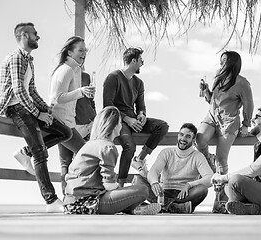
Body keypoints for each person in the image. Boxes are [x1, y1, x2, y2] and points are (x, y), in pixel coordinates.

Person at [0, 22, 72, 212]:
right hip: (15, 108)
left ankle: (25, 152)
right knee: (41, 152)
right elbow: (19, 91)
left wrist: (46, 109)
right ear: (23, 35)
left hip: (26, 107)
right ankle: (51, 201)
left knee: (65, 132)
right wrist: (39, 114)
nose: (38, 37)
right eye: (35, 34)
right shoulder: (15, 58)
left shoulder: (28, 59)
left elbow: (31, 90)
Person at [64, 106, 161, 215]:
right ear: (114, 125)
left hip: (71, 203)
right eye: (120, 123)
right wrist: (120, 189)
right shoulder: (107, 147)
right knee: (142, 190)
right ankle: (134, 207)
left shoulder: (90, 144)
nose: (121, 126)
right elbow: (109, 185)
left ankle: (134, 208)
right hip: (90, 204)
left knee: (126, 194)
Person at [196, 50, 254, 212]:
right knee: (199, 139)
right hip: (211, 118)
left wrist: (246, 124)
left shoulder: (242, 83)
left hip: (229, 123)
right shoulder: (218, 77)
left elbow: (249, 104)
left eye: (224, 61)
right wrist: (206, 90)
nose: (221, 64)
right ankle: (209, 159)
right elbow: (211, 100)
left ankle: (220, 199)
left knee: (221, 161)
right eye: (221, 60)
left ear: (233, 63)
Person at [103, 47, 169, 187]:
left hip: (134, 120)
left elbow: (141, 106)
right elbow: (107, 106)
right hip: (118, 121)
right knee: (129, 146)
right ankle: (120, 185)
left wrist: (141, 115)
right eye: (141, 60)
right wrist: (127, 119)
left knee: (162, 126)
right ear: (133, 61)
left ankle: (139, 159)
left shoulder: (139, 83)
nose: (142, 63)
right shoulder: (113, 78)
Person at [133, 123, 213, 214]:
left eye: (188, 136)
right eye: (181, 135)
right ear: (178, 135)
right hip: (163, 193)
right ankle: (174, 207)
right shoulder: (167, 152)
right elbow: (154, 171)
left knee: (202, 190)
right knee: (137, 180)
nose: (183, 139)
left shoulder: (197, 156)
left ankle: (163, 207)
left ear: (193, 139)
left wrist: (189, 185)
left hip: (184, 195)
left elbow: (210, 178)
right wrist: (154, 182)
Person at [49, 36, 96, 192]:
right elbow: (57, 98)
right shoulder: (66, 70)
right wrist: (80, 92)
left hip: (68, 123)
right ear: (69, 52)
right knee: (87, 156)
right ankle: (77, 195)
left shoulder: (73, 70)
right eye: (80, 50)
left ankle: (69, 197)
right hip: (61, 123)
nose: (84, 53)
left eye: (85, 50)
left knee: (72, 161)